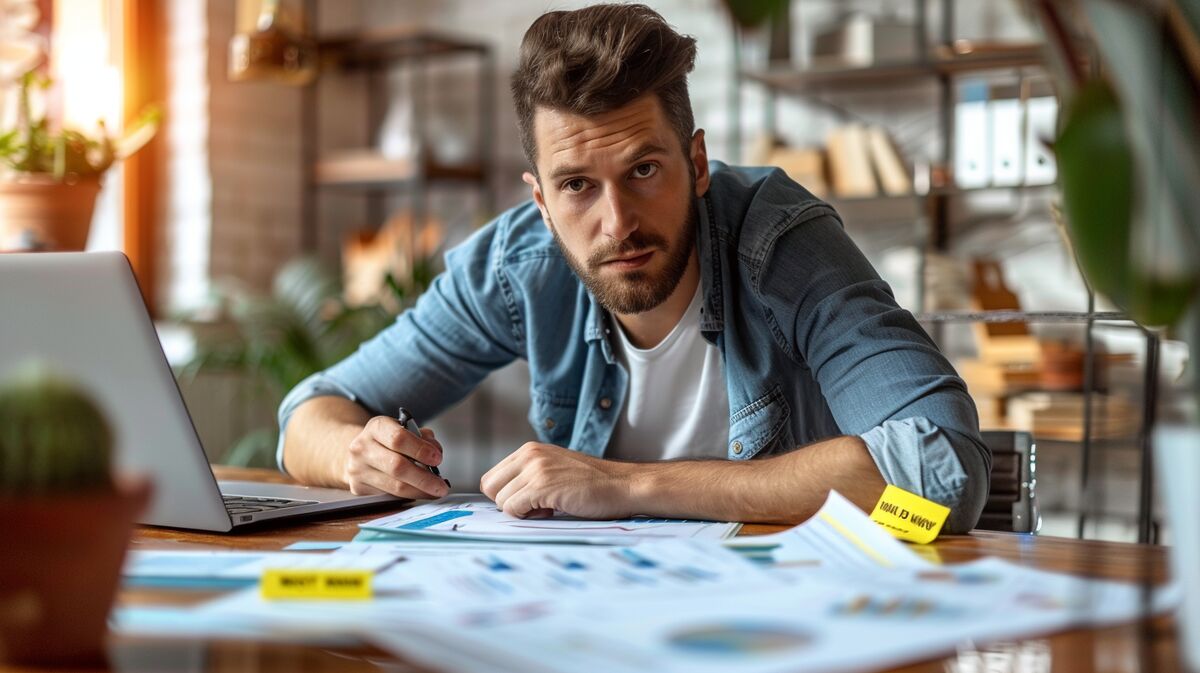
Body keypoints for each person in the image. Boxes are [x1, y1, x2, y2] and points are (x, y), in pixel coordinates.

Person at [276, 3, 989, 533]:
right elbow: (309, 411)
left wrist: (628, 485)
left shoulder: (781, 245)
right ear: (541, 202)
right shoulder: (518, 266)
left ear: (697, 163)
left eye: (644, 169)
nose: (617, 222)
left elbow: (944, 476)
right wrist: (355, 454)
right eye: (577, 186)